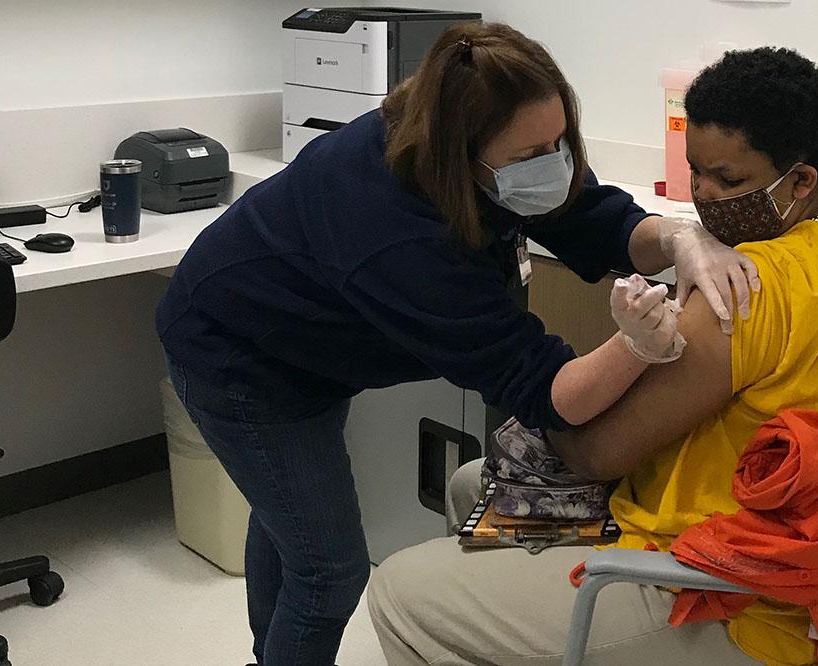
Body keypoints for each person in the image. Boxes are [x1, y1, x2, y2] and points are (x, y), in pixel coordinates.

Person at [156, 22, 759, 666]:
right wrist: (634, 348)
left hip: (308, 346)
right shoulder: (399, 238)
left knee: (291, 524)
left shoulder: (471, 141)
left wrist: (677, 239)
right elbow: (548, 393)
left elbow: (586, 215)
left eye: (559, 142)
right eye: (532, 154)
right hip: (238, 355)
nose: (552, 163)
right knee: (328, 570)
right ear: (461, 157)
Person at [368, 47, 818, 666]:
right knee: (469, 483)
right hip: (775, 542)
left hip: (719, 592)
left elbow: (597, 451)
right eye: (696, 172)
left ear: (801, 180)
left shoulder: (741, 291)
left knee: (396, 589)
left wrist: (622, 356)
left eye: (730, 181)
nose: (707, 199)